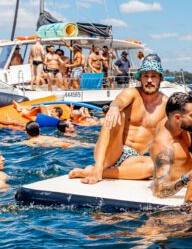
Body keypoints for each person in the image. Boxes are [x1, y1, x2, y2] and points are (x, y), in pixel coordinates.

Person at [68, 54, 168, 183]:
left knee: (153, 166)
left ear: (160, 79)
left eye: (153, 76)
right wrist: (114, 107)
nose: (149, 80)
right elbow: (120, 100)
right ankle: (98, 167)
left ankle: (96, 172)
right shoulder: (133, 93)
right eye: (145, 76)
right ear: (140, 79)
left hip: (133, 158)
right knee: (117, 114)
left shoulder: (166, 105)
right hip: (113, 150)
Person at [151, 93, 192, 198]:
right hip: (184, 187)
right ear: (177, 118)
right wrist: (188, 177)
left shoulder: (177, 124)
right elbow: (159, 191)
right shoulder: (165, 147)